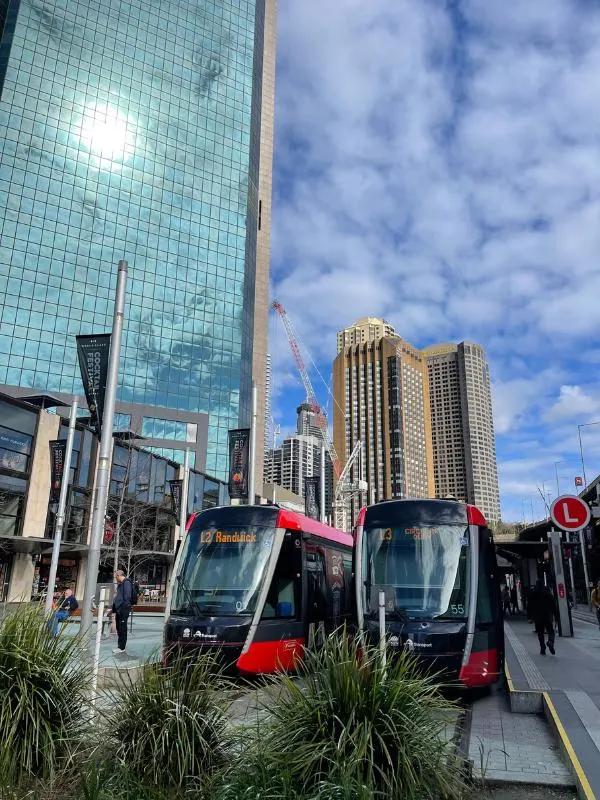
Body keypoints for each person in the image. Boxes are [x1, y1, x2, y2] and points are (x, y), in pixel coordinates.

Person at [528, 580, 557, 655]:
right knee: (551, 631)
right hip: (547, 616)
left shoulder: (533, 593)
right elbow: (553, 603)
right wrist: (555, 614)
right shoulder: (547, 592)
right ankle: (550, 641)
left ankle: (542, 648)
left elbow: (529, 605)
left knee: (540, 633)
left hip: (538, 616)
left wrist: (530, 616)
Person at [112, 571, 133, 655]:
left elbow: (127, 597)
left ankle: (122, 647)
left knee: (122, 628)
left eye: (115, 577)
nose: (115, 579)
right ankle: (119, 646)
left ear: (119, 575)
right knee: (119, 627)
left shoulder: (127, 583)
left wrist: (123, 608)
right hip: (119, 609)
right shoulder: (121, 584)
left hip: (123, 609)